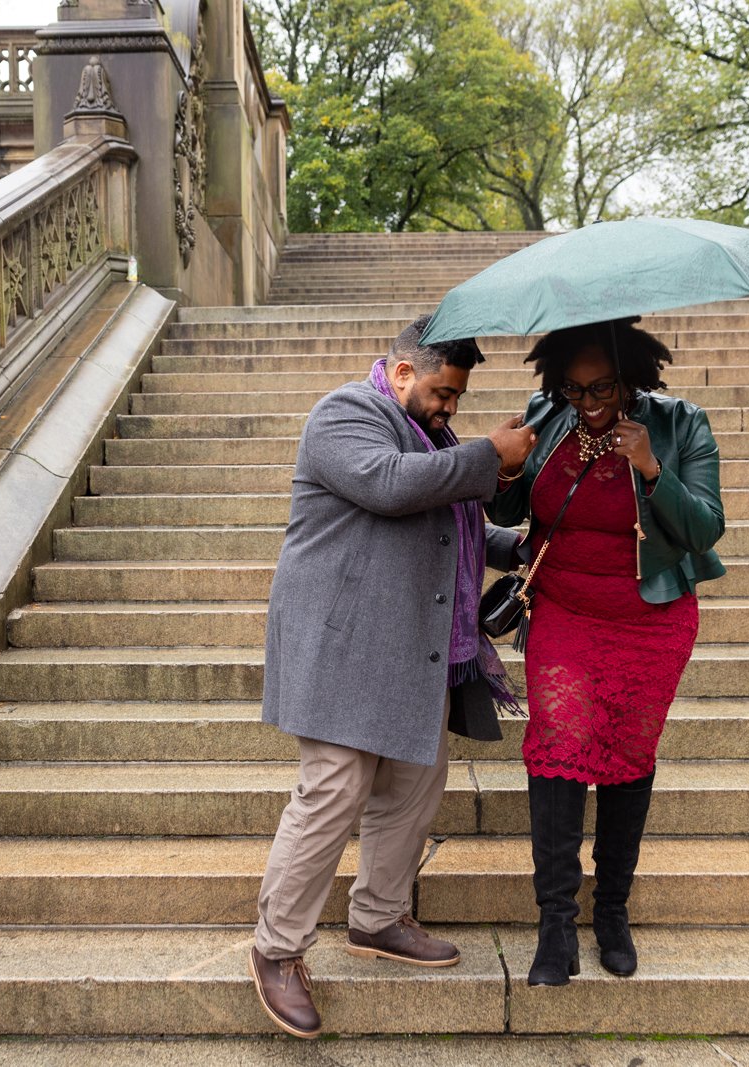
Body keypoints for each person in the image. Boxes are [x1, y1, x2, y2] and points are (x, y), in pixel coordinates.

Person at [250, 314, 539, 1038]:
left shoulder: (432, 437)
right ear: (404, 371)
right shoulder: (345, 412)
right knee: (334, 790)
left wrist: (519, 544)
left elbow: (452, 524)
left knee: (415, 783)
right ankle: (277, 949)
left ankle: (378, 918)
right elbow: (389, 485)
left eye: (458, 399)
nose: (449, 408)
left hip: (412, 643)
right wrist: (485, 454)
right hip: (342, 642)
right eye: (443, 392)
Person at [487, 317, 725, 987]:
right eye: (575, 390)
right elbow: (509, 513)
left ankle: (612, 910)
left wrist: (651, 468)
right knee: (558, 748)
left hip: (648, 619)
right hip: (562, 610)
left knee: (626, 755)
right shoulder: (548, 415)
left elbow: (706, 527)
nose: (589, 405)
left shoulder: (681, 424)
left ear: (633, 378)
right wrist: (503, 469)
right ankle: (555, 925)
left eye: (603, 390)